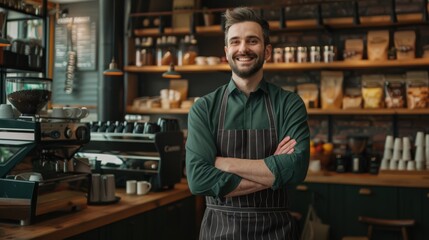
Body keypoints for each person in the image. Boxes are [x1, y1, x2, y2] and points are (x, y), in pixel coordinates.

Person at [185, 6, 310, 239]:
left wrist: (224, 163)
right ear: (227, 51)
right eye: (235, 42)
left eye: (252, 41)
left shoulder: (289, 104)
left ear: (267, 51)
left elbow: (295, 168)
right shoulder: (204, 108)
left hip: (276, 232)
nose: (243, 49)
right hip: (218, 231)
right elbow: (198, 180)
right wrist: (273, 170)